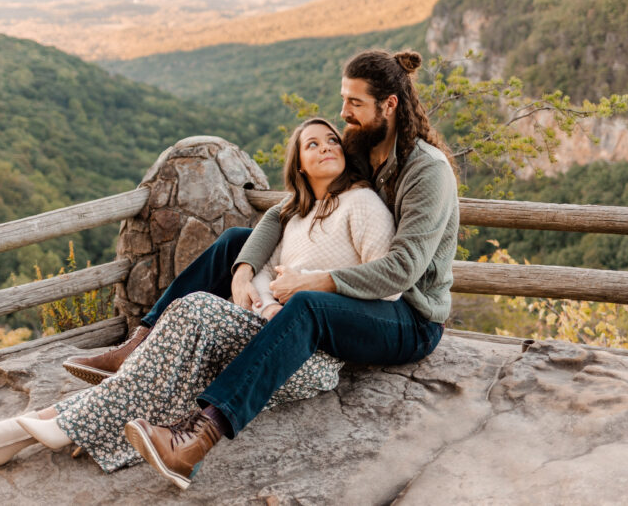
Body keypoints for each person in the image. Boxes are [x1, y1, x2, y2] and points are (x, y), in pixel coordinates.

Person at [0, 118, 396, 480]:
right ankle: (10, 436)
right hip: (266, 326)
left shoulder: (362, 205)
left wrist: (311, 284)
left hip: (307, 352)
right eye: (312, 144)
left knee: (195, 309)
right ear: (298, 165)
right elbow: (261, 269)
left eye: (332, 140)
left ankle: (50, 425)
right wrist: (264, 299)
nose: (326, 147)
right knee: (160, 368)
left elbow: (385, 285)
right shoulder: (294, 216)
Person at [119, 49, 460, 490]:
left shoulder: (426, 172)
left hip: (408, 317)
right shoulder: (360, 150)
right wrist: (243, 270)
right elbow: (283, 212)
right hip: (362, 297)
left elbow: (403, 270)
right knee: (235, 243)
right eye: (344, 100)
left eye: (355, 103)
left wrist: (315, 281)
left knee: (308, 307)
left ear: (389, 105)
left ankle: (196, 439)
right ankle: (140, 341)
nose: (344, 114)